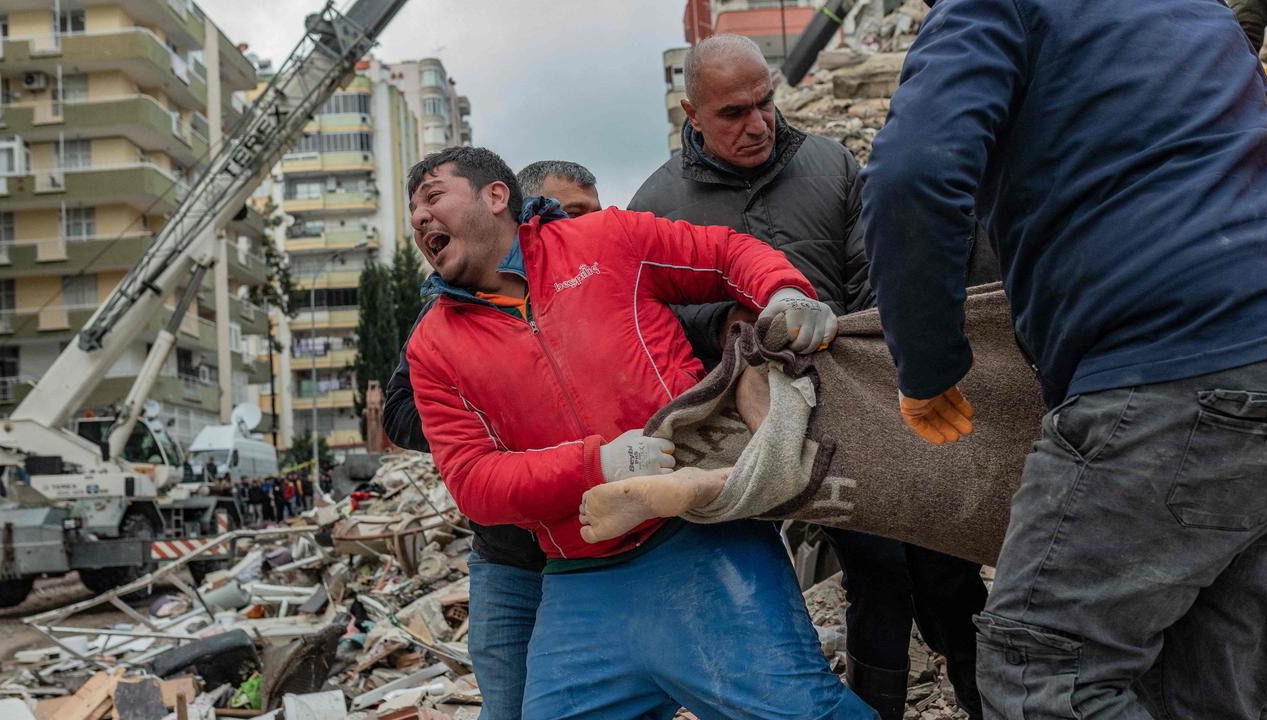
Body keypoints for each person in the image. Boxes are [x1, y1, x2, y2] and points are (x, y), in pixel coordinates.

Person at [859, 1, 1267, 717]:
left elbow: (913, 173)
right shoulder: (1194, 9)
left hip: (1164, 367)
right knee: (1205, 679)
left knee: (1040, 669)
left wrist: (928, 368)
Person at [406, 146, 874, 720]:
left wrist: (782, 291)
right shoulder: (432, 346)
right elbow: (474, 482)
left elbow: (725, 255)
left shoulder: (604, 240)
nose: (420, 217)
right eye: (413, 211)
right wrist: (599, 466)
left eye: (433, 197)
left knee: (801, 713)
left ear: (496, 196)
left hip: (701, 541)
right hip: (582, 583)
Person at [628, 33, 988, 719]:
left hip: (881, 401)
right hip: (775, 427)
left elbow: (877, 272)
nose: (758, 124)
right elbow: (660, 317)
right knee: (873, 570)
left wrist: (856, 345)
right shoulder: (658, 205)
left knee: (948, 566)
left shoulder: (830, 164)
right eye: (733, 113)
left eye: (765, 103)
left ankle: (985, 697)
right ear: (691, 113)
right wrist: (726, 325)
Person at [382, 159, 604, 720]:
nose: (574, 230)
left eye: (587, 216)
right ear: (515, 208)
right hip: (509, 557)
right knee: (508, 705)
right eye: (564, 215)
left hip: (605, 550)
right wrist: (488, 429)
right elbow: (399, 411)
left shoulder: (600, 278)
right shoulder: (452, 309)